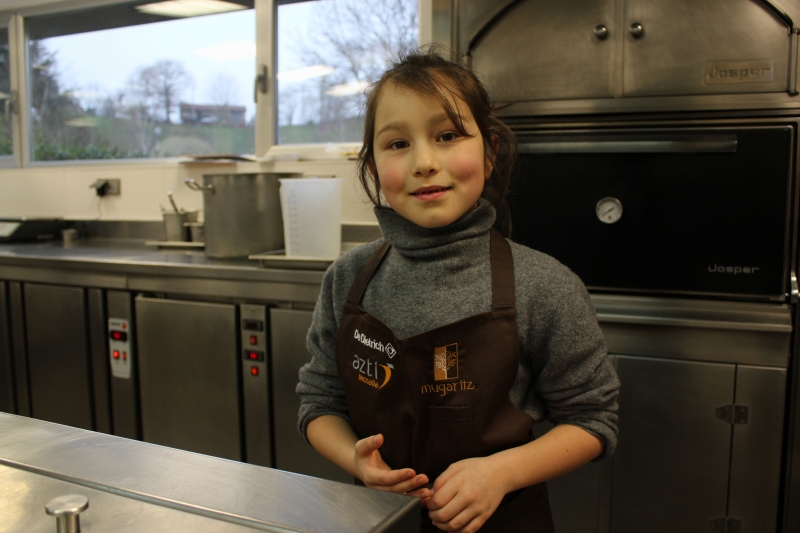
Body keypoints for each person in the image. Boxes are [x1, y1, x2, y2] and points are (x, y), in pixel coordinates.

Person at [296, 47, 620, 533]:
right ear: (373, 167)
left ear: (489, 153)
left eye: (447, 136)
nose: (424, 162)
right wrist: (355, 460)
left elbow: (594, 419)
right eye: (397, 143)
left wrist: (501, 472)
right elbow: (319, 402)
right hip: (378, 519)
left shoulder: (545, 285)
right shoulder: (346, 279)